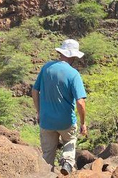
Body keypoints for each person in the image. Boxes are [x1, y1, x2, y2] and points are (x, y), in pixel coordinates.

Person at [31, 39, 88, 176]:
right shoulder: (73, 74)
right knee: (70, 141)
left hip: (46, 121)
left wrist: (39, 112)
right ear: (73, 56)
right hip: (66, 122)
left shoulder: (46, 68)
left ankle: (46, 173)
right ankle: (67, 162)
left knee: (47, 155)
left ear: (61, 52)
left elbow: (34, 91)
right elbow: (80, 102)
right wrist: (83, 123)